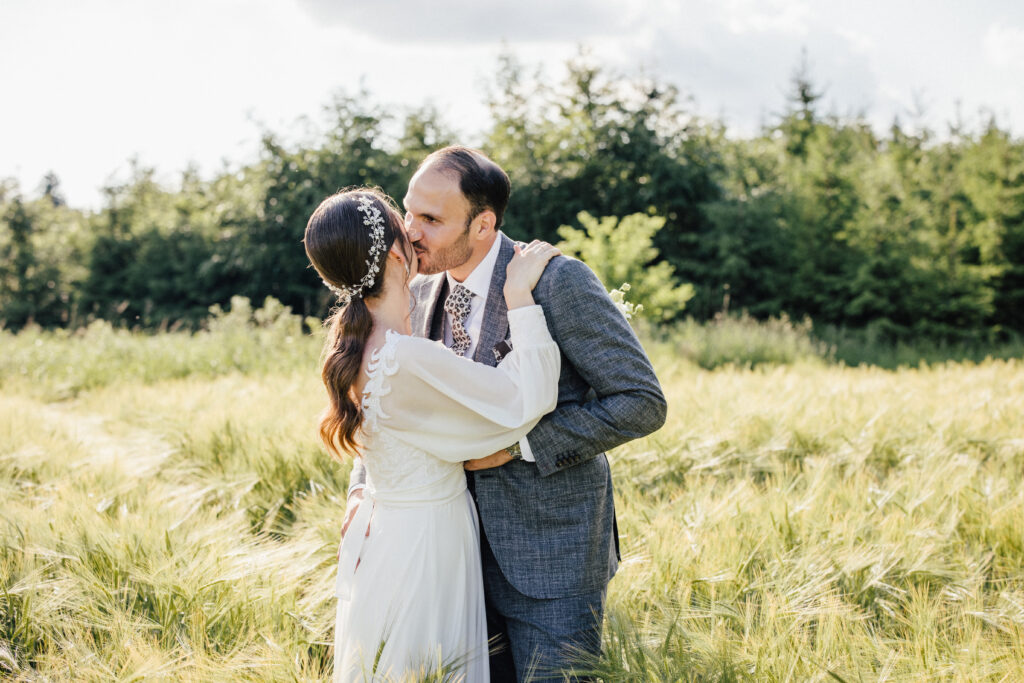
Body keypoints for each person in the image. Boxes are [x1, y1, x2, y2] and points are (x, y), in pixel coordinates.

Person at [347, 147, 668, 681]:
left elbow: (641, 401)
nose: (409, 232)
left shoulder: (557, 282)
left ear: (483, 224)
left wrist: (521, 447)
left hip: (551, 561)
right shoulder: (415, 290)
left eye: (430, 219)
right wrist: (363, 487)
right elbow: (389, 399)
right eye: (408, 213)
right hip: (449, 563)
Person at [304, 187, 563, 682]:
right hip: (424, 548)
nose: (416, 228)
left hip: (388, 538)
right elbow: (521, 400)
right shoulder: (404, 358)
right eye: (405, 222)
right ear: (398, 254)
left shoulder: (356, 346)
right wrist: (519, 299)